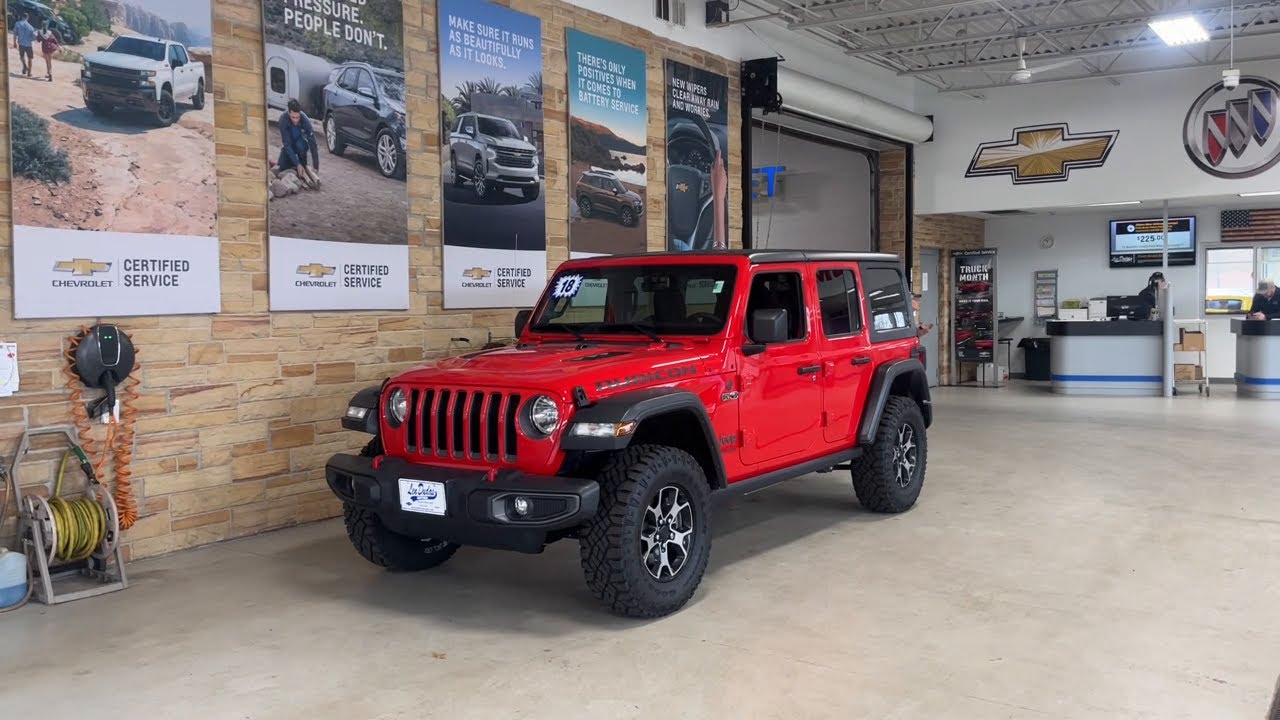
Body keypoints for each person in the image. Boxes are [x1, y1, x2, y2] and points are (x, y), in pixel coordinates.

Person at [277, 99, 321, 188]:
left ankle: (303, 164)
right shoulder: (283, 120)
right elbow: (287, 144)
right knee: (282, 165)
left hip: (301, 143)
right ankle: (296, 165)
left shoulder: (305, 120)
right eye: (293, 117)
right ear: (289, 113)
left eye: (297, 117)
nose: (296, 120)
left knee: (300, 145)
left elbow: (313, 143)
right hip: (289, 143)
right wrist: (297, 164)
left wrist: (316, 166)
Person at [12, 13, 37, 78]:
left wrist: (14, 42)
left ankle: (25, 66)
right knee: (30, 58)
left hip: (21, 43)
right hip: (29, 44)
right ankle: (29, 72)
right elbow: (34, 37)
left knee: (21, 56)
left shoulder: (17, 24)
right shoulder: (31, 27)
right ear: (27, 17)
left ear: (22, 17)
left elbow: (15, 34)